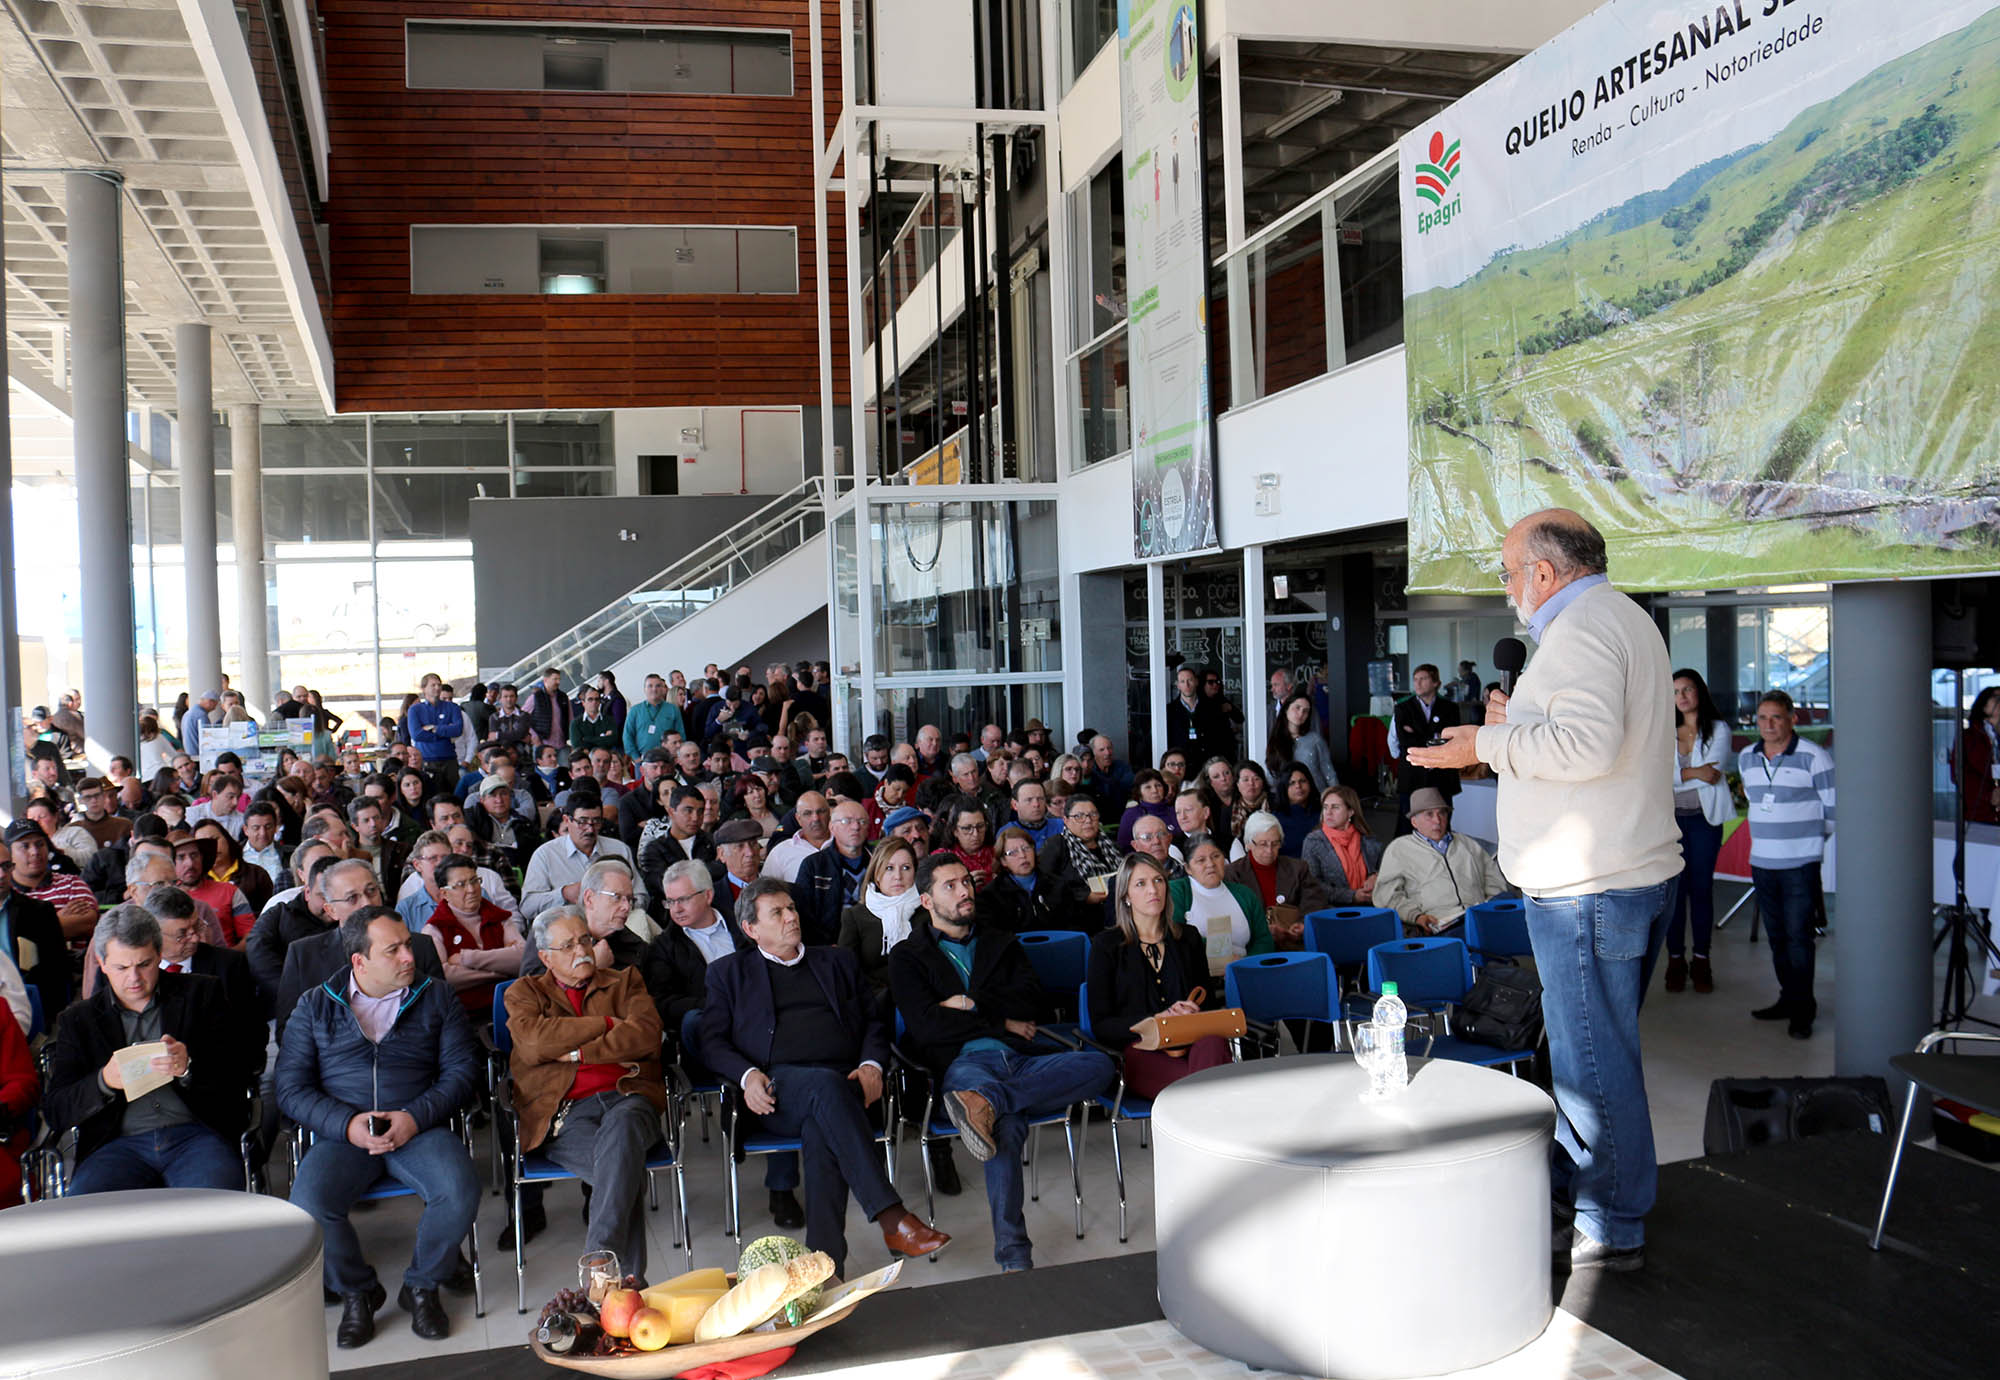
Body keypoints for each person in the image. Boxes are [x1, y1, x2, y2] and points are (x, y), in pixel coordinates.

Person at [1408, 508, 1681, 1272]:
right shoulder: (1618, 618)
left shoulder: (1584, 628)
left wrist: (1483, 742)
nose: (1507, 588)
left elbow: (1586, 745)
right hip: (1616, 876)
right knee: (1594, 1055)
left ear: (1545, 573)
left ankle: (1610, 1220)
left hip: (1587, 888)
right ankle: (1588, 1192)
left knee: (1592, 1065)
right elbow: (1581, 734)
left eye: (1507, 571)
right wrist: (1516, 718)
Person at [698, 878, 949, 1276]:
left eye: (792, 908)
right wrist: (747, 1077)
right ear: (750, 929)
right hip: (776, 1091)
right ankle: (891, 1216)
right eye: (777, 913)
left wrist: (871, 1064)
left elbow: (873, 1023)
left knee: (822, 1126)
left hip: (847, 1086)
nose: (790, 917)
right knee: (823, 1089)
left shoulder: (836, 962)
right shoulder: (728, 973)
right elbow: (710, 1042)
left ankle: (825, 1268)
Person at [888, 854, 1114, 1272]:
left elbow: (1032, 1000)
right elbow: (925, 1027)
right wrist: (1001, 1019)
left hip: (1018, 1060)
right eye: (949, 887)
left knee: (1099, 1067)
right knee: (1005, 1131)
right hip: (961, 1067)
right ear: (926, 901)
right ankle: (1014, 1255)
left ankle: (988, 1102)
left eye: (965, 883)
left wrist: (968, 1004)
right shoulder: (908, 956)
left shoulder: (1000, 941)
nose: (963, 892)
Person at [279, 907, 482, 1348]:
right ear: (359, 961)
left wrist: (414, 1117)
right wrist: (347, 1124)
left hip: (418, 1124)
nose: (409, 956)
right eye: (393, 950)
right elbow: (291, 1090)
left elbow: (462, 1074)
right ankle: (358, 1292)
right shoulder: (315, 1005)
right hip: (345, 1132)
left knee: (460, 1189)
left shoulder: (436, 996)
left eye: (407, 944)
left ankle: (422, 1285)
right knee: (310, 1206)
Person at [505, 907, 667, 1281]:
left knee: (624, 1130)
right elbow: (532, 1044)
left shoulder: (624, 981)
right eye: (568, 945)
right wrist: (608, 1024)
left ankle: (599, 1261)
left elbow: (645, 1036)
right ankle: (628, 1287)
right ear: (545, 956)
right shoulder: (523, 993)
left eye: (585, 940)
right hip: (564, 1114)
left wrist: (580, 1051)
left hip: (629, 1095)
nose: (582, 950)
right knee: (621, 1170)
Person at [43, 905, 251, 1194]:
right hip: (115, 1144)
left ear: (159, 956)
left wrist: (188, 1068)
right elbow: (56, 1110)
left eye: (144, 964)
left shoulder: (202, 995)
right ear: (101, 963)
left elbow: (239, 1074)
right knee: (89, 1219)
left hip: (196, 1135)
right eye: (121, 967)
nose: (134, 979)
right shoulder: (79, 1020)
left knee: (213, 1213)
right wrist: (103, 1082)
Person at [1086, 854, 1231, 1101]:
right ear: (1125, 896)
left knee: (1213, 1045)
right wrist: (1155, 1020)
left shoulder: (1188, 938)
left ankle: (1199, 1122)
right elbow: (1102, 1025)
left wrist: (1192, 1010)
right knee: (1204, 1083)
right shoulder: (1105, 946)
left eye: (1158, 880)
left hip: (1191, 1040)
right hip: (1140, 1049)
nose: (1153, 889)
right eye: (1141, 884)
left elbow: (1208, 1004)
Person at [1738, 690, 1835, 1039]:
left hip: (1800, 862)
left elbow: (1834, 810)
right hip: (1762, 860)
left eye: (1776, 717)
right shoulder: (1747, 757)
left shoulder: (1814, 757)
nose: (1768, 724)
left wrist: (1808, 842)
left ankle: (1803, 1010)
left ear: (1792, 718)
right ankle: (1788, 998)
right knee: (1777, 936)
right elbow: (1753, 799)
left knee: (1799, 937)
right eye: (1762, 718)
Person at [1666, 669, 1732, 994]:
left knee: (1702, 891)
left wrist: (1679, 773)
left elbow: (1714, 774)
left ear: (1699, 692)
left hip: (1706, 822)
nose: (1682, 696)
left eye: (1688, 689)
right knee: (1674, 894)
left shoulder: (1718, 729)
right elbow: (1658, 776)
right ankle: (1675, 959)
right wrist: (1694, 772)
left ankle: (1702, 960)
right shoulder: (1664, 732)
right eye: (1676, 691)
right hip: (1671, 822)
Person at [1373, 788, 1509, 936]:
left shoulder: (1467, 844)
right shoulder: (1399, 849)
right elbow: (1386, 895)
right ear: (1414, 821)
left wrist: (1489, 907)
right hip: (1440, 923)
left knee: (1512, 902)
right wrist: (1415, 916)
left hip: (1478, 916)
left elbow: (1493, 881)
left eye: (1442, 813)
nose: (1437, 821)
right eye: (1429, 815)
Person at [420, 853, 525, 1013]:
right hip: (464, 1015)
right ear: (444, 894)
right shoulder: (435, 929)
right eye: (461, 884)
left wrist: (466, 958)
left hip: (513, 1006)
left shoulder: (499, 917)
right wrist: (502, 969)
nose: (471, 890)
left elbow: (523, 957)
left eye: (474, 881)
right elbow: (444, 977)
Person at [520, 794, 647, 923]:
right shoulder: (546, 854)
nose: (590, 829)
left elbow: (641, 896)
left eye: (596, 821)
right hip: (566, 928)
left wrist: (619, 903)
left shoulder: (618, 849)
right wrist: (563, 894)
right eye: (582, 822)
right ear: (567, 820)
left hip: (614, 925)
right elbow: (527, 907)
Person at [1168, 836, 1273, 976]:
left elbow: (1263, 939)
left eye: (1216, 856)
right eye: (1201, 860)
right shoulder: (1178, 891)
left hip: (1247, 972)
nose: (1210, 864)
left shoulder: (1244, 893)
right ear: (1188, 868)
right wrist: (1223, 958)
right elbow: (1175, 935)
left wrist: (1245, 964)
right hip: (1197, 976)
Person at [1226, 812, 1331, 948]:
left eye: (1275, 844)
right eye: (1263, 844)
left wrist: (1302, 924)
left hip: (1294, 944)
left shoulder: (1298, 868)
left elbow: (1314, 901)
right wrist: (1262, 930)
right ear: (1249, 844)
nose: (1269, 850)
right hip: (1253, 946)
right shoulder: (1233, 874)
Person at [835, 835, 921, 998]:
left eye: (906, 868)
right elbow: (848, 970)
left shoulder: (928, 910)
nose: (898, 876)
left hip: (923, 997)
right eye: (889, 868)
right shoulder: (855, 916)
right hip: (876, 1001)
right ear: (877, 873)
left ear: (915, 872)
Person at [1392, 664, 1460, 831]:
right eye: (1415, 679)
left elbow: (1452, 741)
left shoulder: (1450, 708)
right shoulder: (1403, 708)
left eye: (1423, 679)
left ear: (1436, 682)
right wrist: (1434, 738)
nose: (1418, 683)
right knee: (1408, 824)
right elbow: (1406, 742)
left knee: (1441, 823)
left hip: (1441, 775)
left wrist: (1419, 735)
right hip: (1413, 775)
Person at [1300, 784, 1384, 907]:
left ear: (1350, 812)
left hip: (1370, 906)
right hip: (1332, 909)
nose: (1328, 813)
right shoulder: (1314, 841)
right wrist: (1352, 896)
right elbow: (1313, 884)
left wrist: (1375, 876)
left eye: (1335, 807)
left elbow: (1385, 871)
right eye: (1325, 807)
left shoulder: (1367, 840)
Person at [1267, 692, 1338, 793]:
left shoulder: (1315, 740)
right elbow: (1271, 775)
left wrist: (1337, 796)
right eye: (1297, 708)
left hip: (1316, 796)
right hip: (1287, 799)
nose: (1301, 714)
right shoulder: (1275, 741)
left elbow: (1328, 771)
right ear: (1286, 709)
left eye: (1306, 711)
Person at [406, 674, 467, 792]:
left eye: (439, 684)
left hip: (449, 759)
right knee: (430, 795)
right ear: (424, 688)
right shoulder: (415, 710)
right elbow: (416, 734)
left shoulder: (453, 707)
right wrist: (445, 732)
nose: (437, 687)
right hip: (427, 760)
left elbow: (458, 730)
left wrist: (434, 728)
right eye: (433, 685)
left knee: (453, 795)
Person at [1164, 666, 1229, 767]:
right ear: (1178, 685)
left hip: (1208, 766)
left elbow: (1224, 738)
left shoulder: (1213, 708)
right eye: (1182, 681)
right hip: (1181, 767)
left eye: (1190, 680)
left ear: (1197, 682)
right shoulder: (1169, 711)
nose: (1187, 685)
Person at [762, 791, 832, 882]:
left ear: (829, 814)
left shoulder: (845, 844)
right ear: (798, 819)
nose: (815, 818)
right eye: (807, 813)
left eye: (821, 811)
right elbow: (766, 891)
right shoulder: (781, 852)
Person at [1959, 686, 2000, 825]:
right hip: (1980, 815)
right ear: (1983, 706)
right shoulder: (1969, 737)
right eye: (1996, 698)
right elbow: (1961, 775)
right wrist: (1988, 796)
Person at [624, 674, 686, 762]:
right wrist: (636, 758)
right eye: (650, 686)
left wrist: (678, 755)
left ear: (663, 689)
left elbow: (681, 734)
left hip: (669, 760)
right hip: (643, 761)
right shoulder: (635, 710)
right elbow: (627, 736)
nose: (654, 689)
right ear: (644, 689)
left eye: (658, 686)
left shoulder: (673, 709)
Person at [1115, 770, 1176, 851]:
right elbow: (1124, 847)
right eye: (1148, 787)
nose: (1155, 790)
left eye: (1158, 785)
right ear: (1139, 792)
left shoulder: (1175, 811)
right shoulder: (1131, 814)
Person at [1272, 765, 1320, 858]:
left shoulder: (1324, 813)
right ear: (1284, 788)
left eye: (1302, 781)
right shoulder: (1275, 820)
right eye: (1292, 783)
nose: (1298, 786)